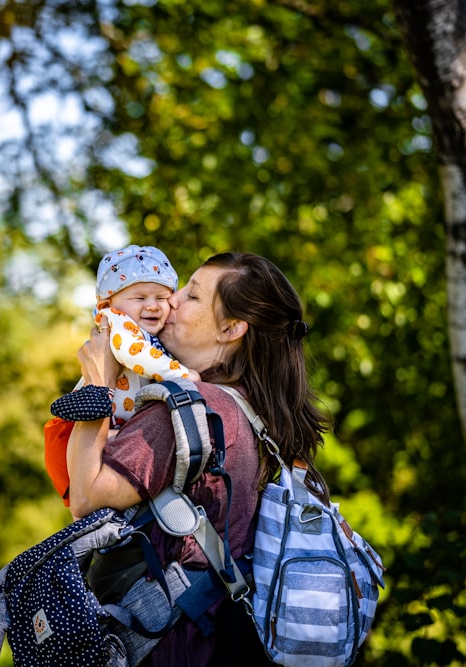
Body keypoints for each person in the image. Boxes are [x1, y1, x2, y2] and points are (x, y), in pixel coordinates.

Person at [65, 251, 331, 666]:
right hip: (227, 639)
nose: (169, 303)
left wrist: (96, 387)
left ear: (231, 328)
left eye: (190, 295)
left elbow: (86, 498)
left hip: (173, 644)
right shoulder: (259, 414)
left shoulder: (186, 410)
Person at [44, 244, 197, 506]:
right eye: (140, 298)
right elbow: (134, 354)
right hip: (79, 429)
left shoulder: (146, 332)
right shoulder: (117, 323)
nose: (153, 306)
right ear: (107, 303)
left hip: (110, 425)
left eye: (161, 298)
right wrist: (183, 375)